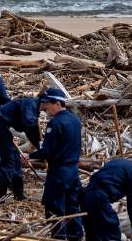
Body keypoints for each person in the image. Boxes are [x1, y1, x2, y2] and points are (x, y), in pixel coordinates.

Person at [27, 88, 83, 240]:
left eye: (47, 105)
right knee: (73, 206)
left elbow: (48, 151)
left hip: (59, 172)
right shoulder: (75, 119)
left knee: (55, 207)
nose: (45, 109)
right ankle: (76, 236)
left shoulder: (56, 123)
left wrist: (31, 155)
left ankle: (58, 237)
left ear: (57, 103)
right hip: (73, 170)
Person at [82, 157, 132, 241]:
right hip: (99, 198)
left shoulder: (122, 162)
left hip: (86, 195)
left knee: (93, 233)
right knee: (112, 232)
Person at [0, 96, 41, 200]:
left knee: (16, 158)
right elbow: (29, 122)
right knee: (8, 160)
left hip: (4, 127)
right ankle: (1, 194)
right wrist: (37, 143)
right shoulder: (30, 103)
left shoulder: (32, 104)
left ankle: (19, 194)